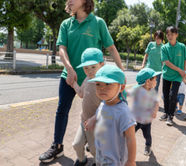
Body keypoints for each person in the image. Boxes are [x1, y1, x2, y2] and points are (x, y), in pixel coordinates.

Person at [39, 0, 123, 163]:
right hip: (69, 77)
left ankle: (96, 144)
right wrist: (70, 70)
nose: (69, 0)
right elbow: (62, 48)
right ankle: (57, 146)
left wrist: (120, 73)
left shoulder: (98, 23)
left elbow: (111, 48)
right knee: (62, 110)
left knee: (99, 111)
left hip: (94, 78)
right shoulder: (65, 24)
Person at [85, 65, 136, 166]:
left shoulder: (123, 112)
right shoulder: (103, 103)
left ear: (121, 87)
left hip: (115, 160)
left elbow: (131, 138)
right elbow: (101, 112)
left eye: (108, 84)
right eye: (98, 84)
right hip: (101, 155)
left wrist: (131, 161)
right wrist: (92, 119)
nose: (102, 88)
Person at [71, 48, 104, 166]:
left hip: (96, 123)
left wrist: (94, 119)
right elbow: (81, 93)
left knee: (94, 149)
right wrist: (73, 83)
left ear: (102, 64)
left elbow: (106, 107)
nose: (89, 71)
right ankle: (82, 160)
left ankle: (97, 162)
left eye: (93, 67)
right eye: (86, 68)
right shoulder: (87, 79)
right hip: (84, 121)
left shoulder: (103, 84)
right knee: (76, 144)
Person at [159, 26, 186, 126]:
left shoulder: (182, 46)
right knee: (165, 95)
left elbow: (185, 60)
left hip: (177, 76)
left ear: (176, 35)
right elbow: (166, 62)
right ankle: (166, 113)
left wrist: (183, 73)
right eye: (168, 34)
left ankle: (171, 116)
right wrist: (180, 70)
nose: (170, 36)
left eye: (172, 34)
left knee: (173, 95)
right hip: (167, 75)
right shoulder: (164, 47)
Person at [128, 68, 160, 156]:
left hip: (147, 120)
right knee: (130, 134)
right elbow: (126, 93)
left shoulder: (153, 92)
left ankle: (148, 146)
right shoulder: (137, 90)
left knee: (147, 135)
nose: (156, 81)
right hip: (135, 120)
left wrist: (155, 111)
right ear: (147, 81)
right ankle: (125, 147)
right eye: (155, 79)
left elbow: (156, 103)